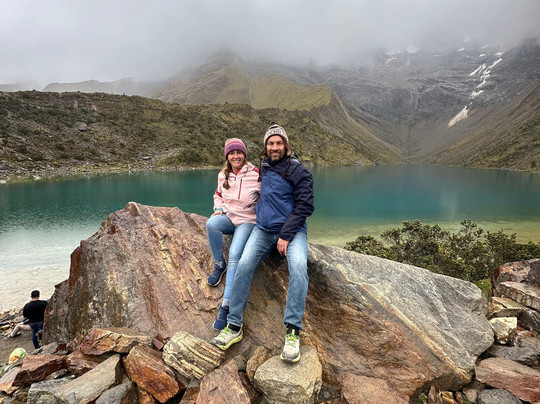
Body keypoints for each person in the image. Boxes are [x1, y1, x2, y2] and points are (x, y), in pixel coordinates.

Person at [211, 122, 314, 363]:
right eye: (271, 143)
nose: (275, 147)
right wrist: (224, 209)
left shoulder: (299, 171)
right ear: (265, 147)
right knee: (244, 264)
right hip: (264, 230)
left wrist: (286, 235)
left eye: (279, 143)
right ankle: (234, 325)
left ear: (286, 146)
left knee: (299, 267)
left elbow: (305, 206)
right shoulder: (264, 167)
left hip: (292, 232)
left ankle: (292, 331)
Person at [206, 138, 261, 330]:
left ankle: (226, 305)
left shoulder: (257, 174)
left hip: (247, 221)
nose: (235, 156)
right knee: (212, 224)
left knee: (235, 255)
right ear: (227, 156)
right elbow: (218, 194)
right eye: (232, 153)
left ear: (244, 155)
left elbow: (267, 197)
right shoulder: (223, 174)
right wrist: (218, 208)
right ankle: (219, 264)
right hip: (229, 218)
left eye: (239, 152)